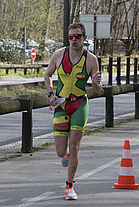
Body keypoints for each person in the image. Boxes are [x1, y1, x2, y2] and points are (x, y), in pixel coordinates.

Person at [44, 22, 102, 200]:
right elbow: (47, 75)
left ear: (84, 38)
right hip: (61, 105)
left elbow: (97, 90)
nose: (74, 40)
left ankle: (69, 186)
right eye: (71, 36)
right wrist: (50, 94)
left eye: (78, 36)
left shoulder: (91, 59)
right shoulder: (58, 55)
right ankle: (66, 155)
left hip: (79, 105)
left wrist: (96, 82)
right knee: (61, 152)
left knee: (75, 144)